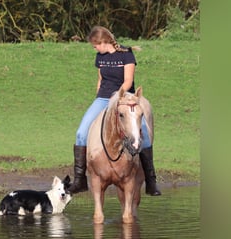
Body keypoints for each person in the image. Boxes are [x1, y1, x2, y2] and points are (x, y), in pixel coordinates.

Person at [68, 26, 161, 196]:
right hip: (103, 99)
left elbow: (128, 81)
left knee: (144, 134)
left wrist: (117, 98)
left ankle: (151, 181)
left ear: (102, 42)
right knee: (81, 133)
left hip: (125, 97)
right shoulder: (100, 57)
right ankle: (79, 180)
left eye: (95, 45)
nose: (94, 49)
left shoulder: (126, 54)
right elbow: (100, 79)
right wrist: (99, 97)